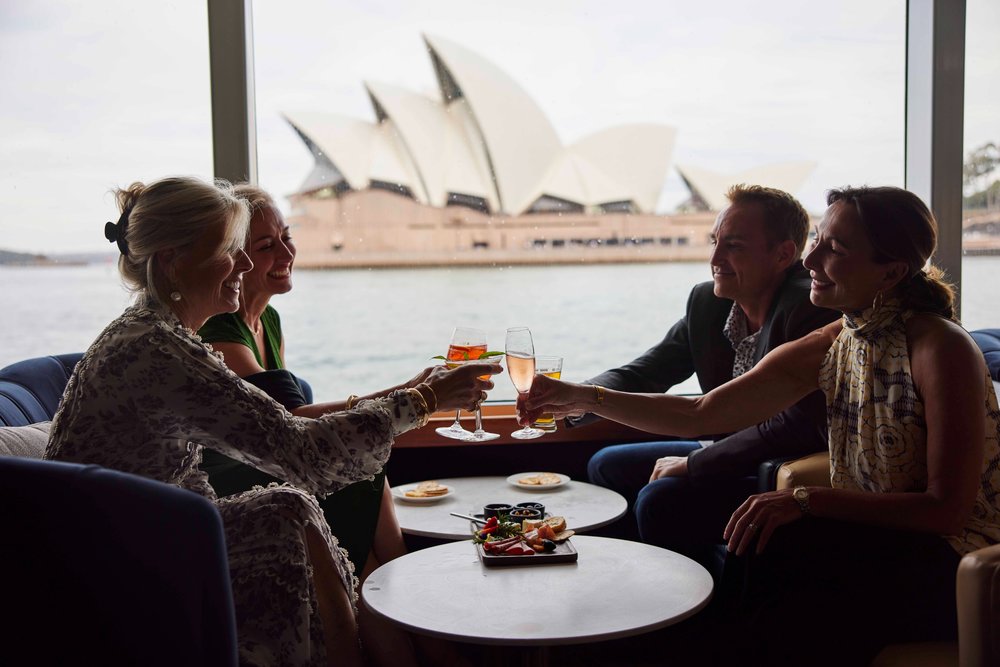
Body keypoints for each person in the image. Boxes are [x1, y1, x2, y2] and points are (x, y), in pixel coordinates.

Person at [523, 185, 1000, 664]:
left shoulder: (942, 348)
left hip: (955, 563)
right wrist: (580, 397)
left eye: (834, 249)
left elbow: (946, 512)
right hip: (868, 537)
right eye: (817, 240)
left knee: (774, 547)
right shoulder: (839, 338)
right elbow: (701, 413)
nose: (810, 260)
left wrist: (805, 499)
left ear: (891, 272)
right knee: (761, 540)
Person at [44, 176, 499, 667]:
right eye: (229, 250)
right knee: (291, 508)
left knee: (289, 507)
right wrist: (424, 399)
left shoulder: (157, 333)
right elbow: (299, 451)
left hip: (145, 531)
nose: (244, 264)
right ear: (173, 262)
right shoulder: (155, 349)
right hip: (116, 559)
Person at [578, 184, 838, 563]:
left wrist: (694, 465)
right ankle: (641, 572)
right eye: (715, 241)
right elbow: (649, 370)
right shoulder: (708, 302)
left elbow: (793, 427)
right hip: (726, 449)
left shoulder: (809, 307)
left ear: (783, 254)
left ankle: (704, 590)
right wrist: (574, 400)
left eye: (734, 246)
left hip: (781, 465)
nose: (714, 258)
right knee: (605, 465)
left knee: (658, 500)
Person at [197, 185, 417, 581]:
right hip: (228, 478)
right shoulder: (219, 332)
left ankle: (392, 594)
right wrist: (416, 394)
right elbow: (290, 420)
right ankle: (399, 594)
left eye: (287, 237)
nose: (287, 254)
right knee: (357, 471)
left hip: (269, 459)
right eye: (267, 246)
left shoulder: (269, 320)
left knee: (359, 469)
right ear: (235, 258)